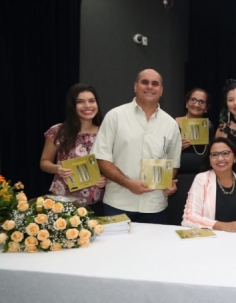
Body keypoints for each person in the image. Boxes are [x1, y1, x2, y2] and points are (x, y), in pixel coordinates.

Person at [92, 69, 181, 224]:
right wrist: (128, 183)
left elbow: (173, 164)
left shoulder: (171, 124)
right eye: (144, 82)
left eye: (155, 84)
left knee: (152, 249)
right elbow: (101, 158)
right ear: (135, 86)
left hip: (155, 206)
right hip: (118, 203)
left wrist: (169, 183)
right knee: (114, 249)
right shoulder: (115, 116)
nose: (150, 87)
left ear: (161, 90)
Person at [40, 83, 107, 215]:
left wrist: (105, 178)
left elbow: (113, 165)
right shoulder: (58, 131)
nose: (87, 106)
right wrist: (58, 168)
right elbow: (44, 162)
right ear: (72, 105)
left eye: (91, 101)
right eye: (80, 102)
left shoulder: (105, 132)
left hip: (96, 202)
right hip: (62, 201)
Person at [181, 138, 236, 232]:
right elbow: (188, 218)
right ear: (209, 160)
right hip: (210, 239)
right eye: (214, 155)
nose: (220, 158)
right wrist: (224, 226)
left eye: (225, 153)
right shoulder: (202, 179)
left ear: (234, 158)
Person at [175, 88, 213, 174]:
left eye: (201, 102)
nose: (196, 104)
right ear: (186, 103)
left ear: (206, 108)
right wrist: (176, 147)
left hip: (204, 176)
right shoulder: (173, 124)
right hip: (180, 175)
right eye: (193, 100)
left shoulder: (210, 127)